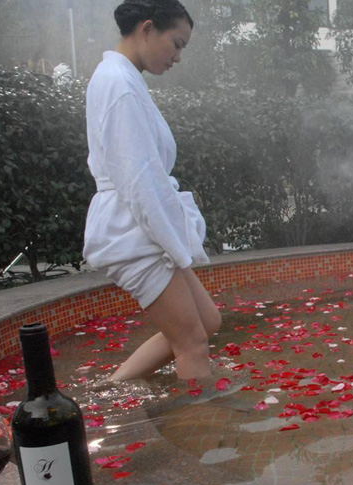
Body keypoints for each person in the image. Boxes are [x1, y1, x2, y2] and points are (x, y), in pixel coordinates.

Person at [83, 0, 221, 383]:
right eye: (176, 43)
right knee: (192, 341)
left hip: (144, 224)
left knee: (207, 321)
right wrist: (176, 246)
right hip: (134, 230)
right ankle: (203, 428)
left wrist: (178, 244)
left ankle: (112, 389)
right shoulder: (119, 85)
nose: (178, 56)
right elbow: (140, 180)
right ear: (146, 29)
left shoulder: (123, 78)